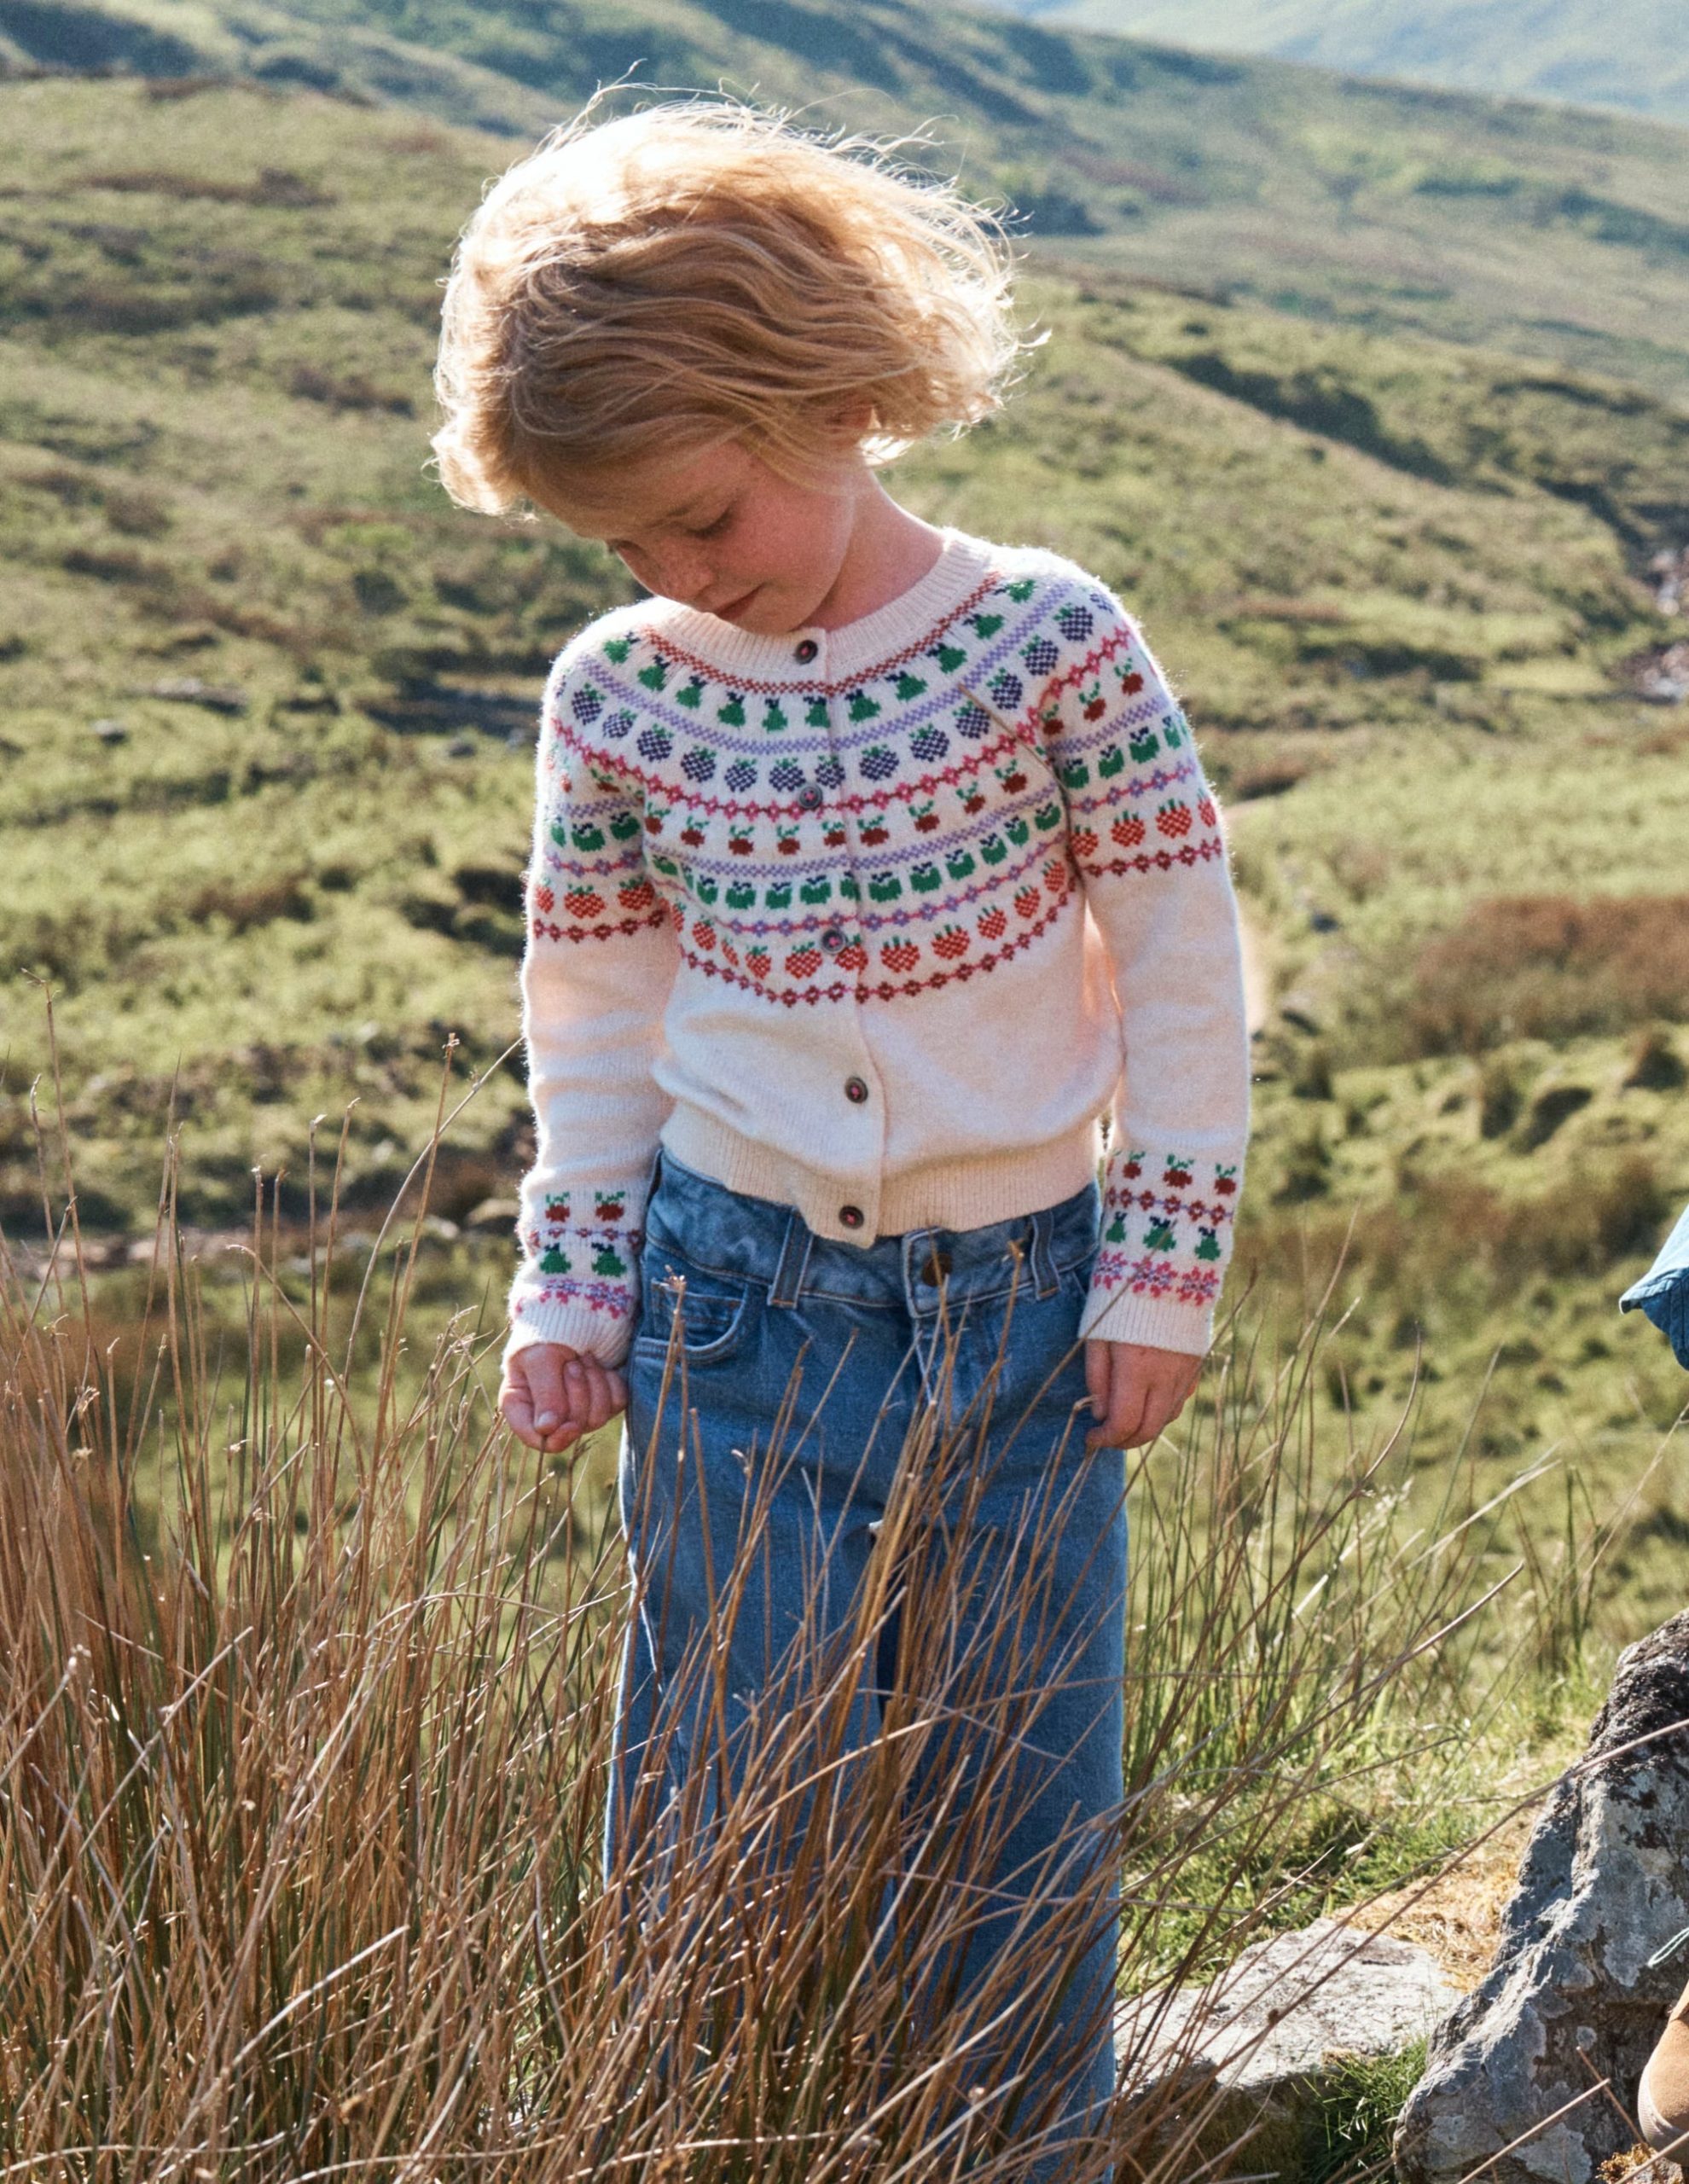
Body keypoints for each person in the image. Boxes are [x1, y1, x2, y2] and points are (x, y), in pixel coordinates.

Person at [432, 93, 1251, 2180]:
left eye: (700, 516)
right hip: (736, 1313)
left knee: (1017, 1801)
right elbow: (594, 1016)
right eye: (622, 546)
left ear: (827, 393)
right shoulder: (618, 695)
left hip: (1029, 1318)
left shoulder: (1051, 641)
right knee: (720, 1798)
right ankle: (696, 2140)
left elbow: (1180, 957)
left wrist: (1162, 1266)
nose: (675, 573)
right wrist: (572, 1286)